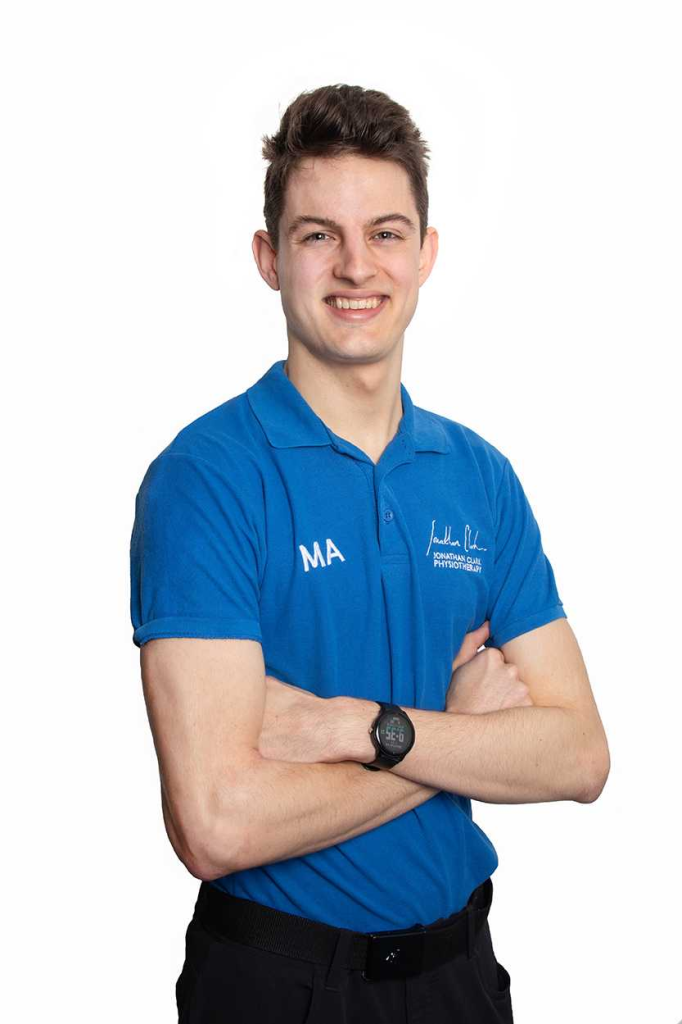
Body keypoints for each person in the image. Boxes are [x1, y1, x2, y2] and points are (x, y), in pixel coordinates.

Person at [129, 83, 610, 1023]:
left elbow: (580, 756)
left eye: (386, 233)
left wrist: (361, 726)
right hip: (278, 985)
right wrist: (450, 735)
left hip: (461, 975)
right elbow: (216, 825)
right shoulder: (206, 479)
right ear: (270, 258)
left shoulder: (480, 476)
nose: (357, 266)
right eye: (319, 235)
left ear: (425, 253)